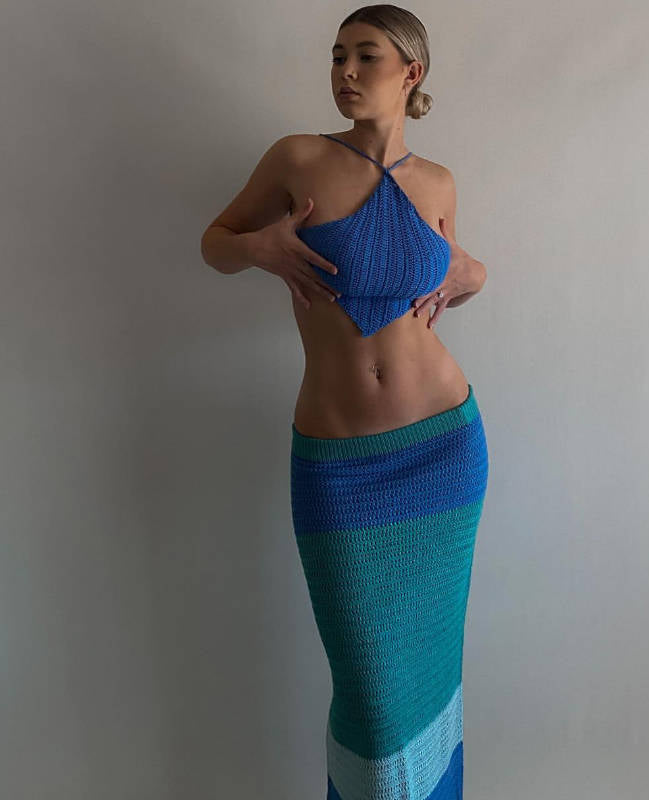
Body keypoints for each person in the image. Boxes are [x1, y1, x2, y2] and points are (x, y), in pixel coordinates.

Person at [201, 5, 489, 798]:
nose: (345, 72)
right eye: (337, 57)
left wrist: (476, 275)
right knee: (371, 694)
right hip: (341, 468)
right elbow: (215, 242)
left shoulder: (438, 181)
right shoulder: (297, 157)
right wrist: (256, 247)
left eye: (366, 56)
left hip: (444, 448)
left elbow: (450, 276)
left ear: (411, 73)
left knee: (429, 673)